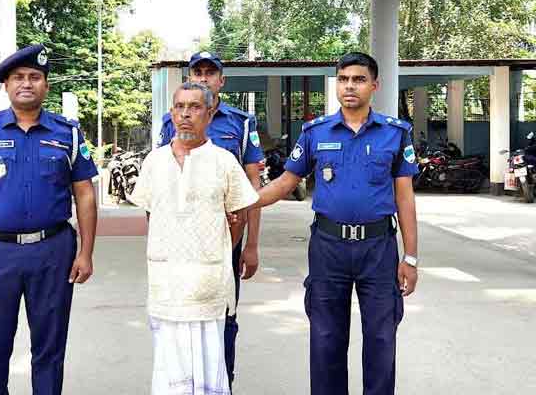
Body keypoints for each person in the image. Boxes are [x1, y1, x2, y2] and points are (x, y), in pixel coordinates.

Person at [253, 52, 419, 395]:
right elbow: (286, 182)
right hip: (329, 248)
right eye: (343, 79)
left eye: (358, 79)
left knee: (381, 338)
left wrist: (411, 257)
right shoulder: (316, 132)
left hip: (378, 248)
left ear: (374, 85)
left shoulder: (395, 133)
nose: (349, 86)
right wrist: (244, 201)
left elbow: (404, 198)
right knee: (326, 339)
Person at [0, 44, 99, 395]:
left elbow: (85, 195)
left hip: (53, 251)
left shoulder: (68, 133)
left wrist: (86, 252)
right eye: (18, 77)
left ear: (46, 85)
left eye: (35, 77)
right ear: (7, 86)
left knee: (49, 349)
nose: (26, 83)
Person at [130, 82, 259, 395]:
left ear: (210, 113)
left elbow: (239, 216)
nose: (185, 114)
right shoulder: (154, 162)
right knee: (169, 372)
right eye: (179, 107)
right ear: (172, 112)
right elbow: (152, 215)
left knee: (208, 370)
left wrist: (218, 242)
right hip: (166, 284)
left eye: (195, 107)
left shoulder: (225, 162)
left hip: (208, 286)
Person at [157, 51, 264, 387]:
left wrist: (252, 245)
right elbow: (162, 184)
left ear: (222, 81)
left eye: (209, 73)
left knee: (224, 315)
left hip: (226, 240)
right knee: (178, 315)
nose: (203, 78)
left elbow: (252, 188)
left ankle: (222, 384)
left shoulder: (241, 123)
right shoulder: (170, 121)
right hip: (181, 243)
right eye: (197, 72)